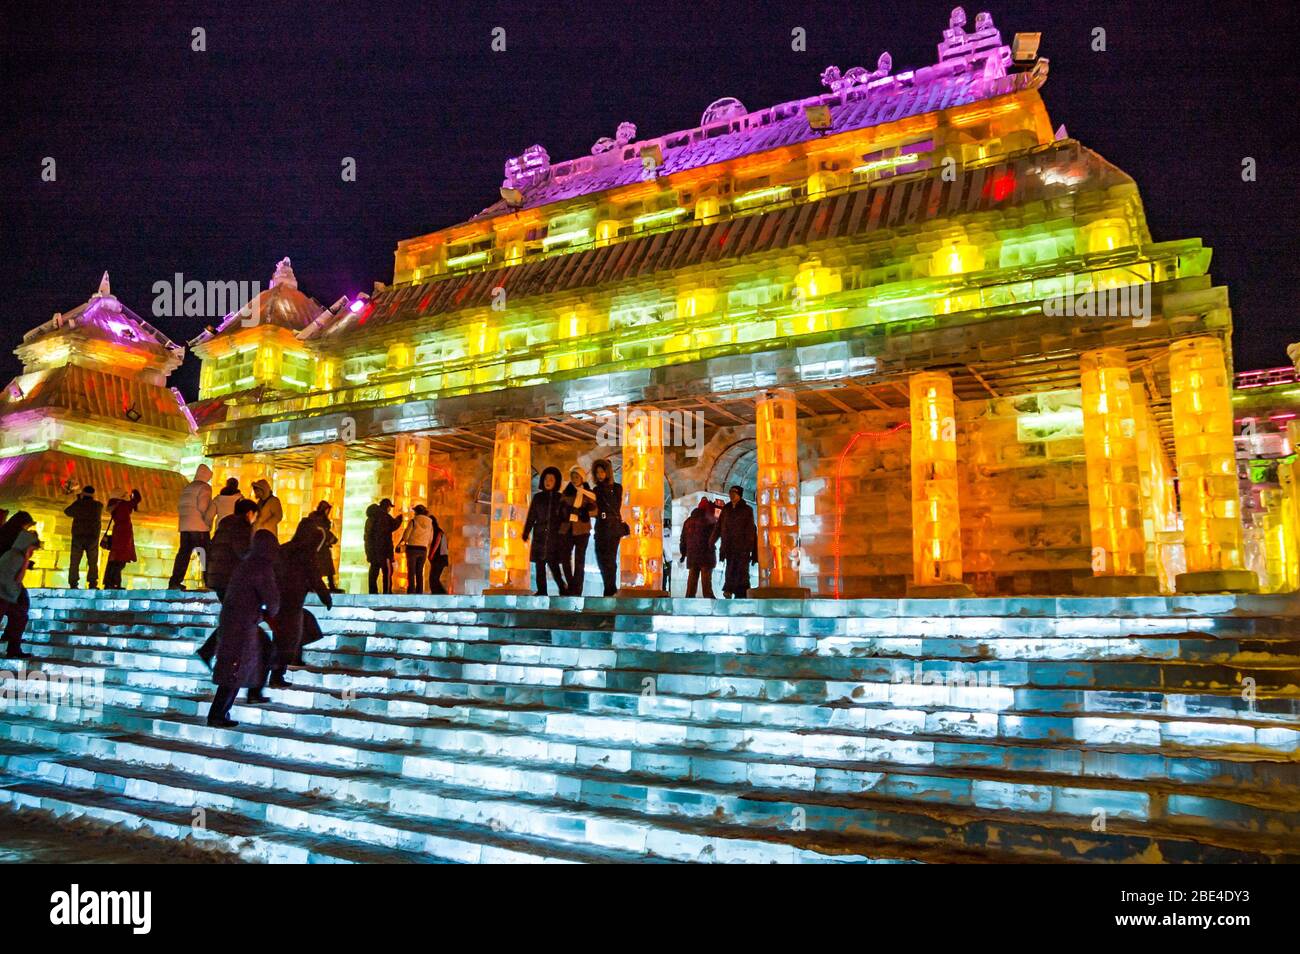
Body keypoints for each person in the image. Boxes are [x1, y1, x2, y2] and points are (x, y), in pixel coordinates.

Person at [207, 530, 279, 727]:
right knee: (235, 668)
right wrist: (271, 609)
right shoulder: (261, 566)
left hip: (234, 621)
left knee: (235, 666)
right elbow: (271, 599)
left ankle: (223, 711)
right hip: (243, 624)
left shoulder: (246, 563)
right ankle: (218, 714)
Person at [196, 497, 259, 668]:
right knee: (235, 618)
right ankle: (211, 651)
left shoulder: (225, 525)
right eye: (255, 515)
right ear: (249, 513)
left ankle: (210, 651)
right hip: (230, 579)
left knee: (233, 618)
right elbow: (244, 552)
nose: (255, 520)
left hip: (218, 577)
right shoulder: (241, 526)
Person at [267, 522, 331, 688]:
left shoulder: (284, 548)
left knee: (284, 636)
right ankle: (276, 675)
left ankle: (278, 671)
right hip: (293, 601)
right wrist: (325, 596)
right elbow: (315, 577)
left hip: (278, 600)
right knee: (288, 638)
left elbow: (271, 571)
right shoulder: (306, 553)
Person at [168, 463, 216, 590]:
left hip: (185, 527)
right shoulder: (204, 487)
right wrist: (208, 521)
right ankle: (209, 582)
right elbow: (202, 506)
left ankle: (174, 582)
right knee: (205, 555)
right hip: (199, 527)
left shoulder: (188, 487)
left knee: (183, 554)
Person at [0, 512, 39, 658]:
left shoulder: (11, 539)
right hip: (5, 587)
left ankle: (12, 643)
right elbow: (17, 578)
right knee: (20, 611)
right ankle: (12, 644)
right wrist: (26, 562)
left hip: (7, 586)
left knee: (20, 613)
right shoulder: (16, 549)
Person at [523, 467, 567, 596]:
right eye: (547, 479)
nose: (548, 482)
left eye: (551, 479)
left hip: (554, 536)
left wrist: (563, 534)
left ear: (556, 482)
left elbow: (564, 518)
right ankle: (542, 590)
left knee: (553, 564)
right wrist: (526, 531)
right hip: (540, 535)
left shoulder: (560, 498)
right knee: (539, 564)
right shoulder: (538, 498)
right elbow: (532, 516)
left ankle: (562, 587)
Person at [713, 485, 758, 598]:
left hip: (742, 547)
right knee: (730, 569)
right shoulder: (726, 509)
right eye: (730, 492)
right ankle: (729, 590)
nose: (731, 495)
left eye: (734, 492)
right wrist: (712, 540)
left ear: (739, 494)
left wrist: (751, 549)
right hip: (729, 546)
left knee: (742, 571)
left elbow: (750, 530)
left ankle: (741, 595)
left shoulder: (747, 510)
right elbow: (719, 527)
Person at [560, 466, 597, 596]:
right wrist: (566, 511)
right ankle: (571, 584)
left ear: (582, 478)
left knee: (579, 559)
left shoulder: (588, 493)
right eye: (572, 477)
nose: (574, 479)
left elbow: (594, 510)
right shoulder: (567, 492)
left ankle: (577, 588)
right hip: (567, 529)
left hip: (582, 530)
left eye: (577, 477)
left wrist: (583, 511)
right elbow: (561, 507)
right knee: (565, 558)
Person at [591, 458, 624, 597]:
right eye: (597, 472)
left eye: (602, 471)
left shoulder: (616, 488)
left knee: (610, 559)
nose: (600, 475)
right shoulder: (596, 489)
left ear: (607, 472)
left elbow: (615, 506)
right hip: (601, 527)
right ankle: (609, 587)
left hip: (613, 527)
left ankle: (610, 589)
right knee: (601, 558)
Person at [63, 485, 103, 589]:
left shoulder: (79, 504)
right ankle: (93, 582)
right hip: (92, 538)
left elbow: (67, 511)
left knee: (75, 561)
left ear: (83, 494)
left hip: (78, 537)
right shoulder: (98, 506)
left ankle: (73, 582)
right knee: (93, 562)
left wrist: (78, 500)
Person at [102, 489, 142, 590]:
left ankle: (111, 583)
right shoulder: (122, 506)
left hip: (118, 534)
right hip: (124, 535)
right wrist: (134, 492)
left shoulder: (115, 506)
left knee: (115, 560)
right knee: (120, 561)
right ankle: (113, 583)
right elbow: (137, 499)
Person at [679, 499, 719, 598]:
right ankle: (710, 604)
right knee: (706, 584)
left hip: (692, 556)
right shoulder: (709, 519)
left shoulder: (688, 521)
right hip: (706, 555)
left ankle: (688, 602)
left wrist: (683, 554)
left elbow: (683, 538)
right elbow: (716, 533)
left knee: (692, 582)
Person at [363, 498, 402, 594]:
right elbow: (394, 525)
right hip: (384, 551)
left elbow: (367, 536)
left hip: (372, 550)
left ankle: (372, 592)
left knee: (373, 572)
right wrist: (399, 518)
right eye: (390, 507)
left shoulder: (370, 518)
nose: (390, 510)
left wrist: (369, 551)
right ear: (387, 506)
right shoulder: (385, 517)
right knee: (387, 572)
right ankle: (387, 593)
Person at [302, 501, 341, 592]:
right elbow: (323, 532)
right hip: (320, 548)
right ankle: (320, 586)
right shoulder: (319, 520)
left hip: (319, 547)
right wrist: (332, 539)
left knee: (325, 569)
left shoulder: (314, 519)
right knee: (322, 568)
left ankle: (323, 586)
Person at [399, 504, 434, 594]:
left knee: (411, 571)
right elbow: (430, 538)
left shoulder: (414, 521)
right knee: (419, 571)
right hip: (423, 549)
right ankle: (419, 591)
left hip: (412, 549)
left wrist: (406, 541)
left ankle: (411, 590)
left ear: (416, 512)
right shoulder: (430, 523)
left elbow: (406, 536)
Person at [427, 514, 449, 595]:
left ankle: (441, 594)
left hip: (439, 558)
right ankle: (438, 593)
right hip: (440, 558)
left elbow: (437, 543)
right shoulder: (437, 531)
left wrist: (431, 554)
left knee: (434, 578)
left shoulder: (437, 531)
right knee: (434, 578)